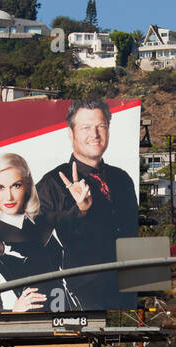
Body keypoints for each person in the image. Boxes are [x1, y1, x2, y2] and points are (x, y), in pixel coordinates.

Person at [0, 151, 93, 313]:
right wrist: (9, 313)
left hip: (67, 314)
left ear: (27, 186)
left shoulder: (39, 220)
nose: (9, 196)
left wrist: (82, 206)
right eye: (0, 188)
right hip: (33, 326)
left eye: (16, 185)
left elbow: (70, 217)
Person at [35, 98, 138, 310]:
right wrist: (79, 210)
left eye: (101, 126)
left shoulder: (122, 179)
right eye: (85, 128)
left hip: (123, 294)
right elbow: (37, 236)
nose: (95, 134)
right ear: (70, 133)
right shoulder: (52, 181)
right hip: (76, 297)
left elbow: (131, 235)